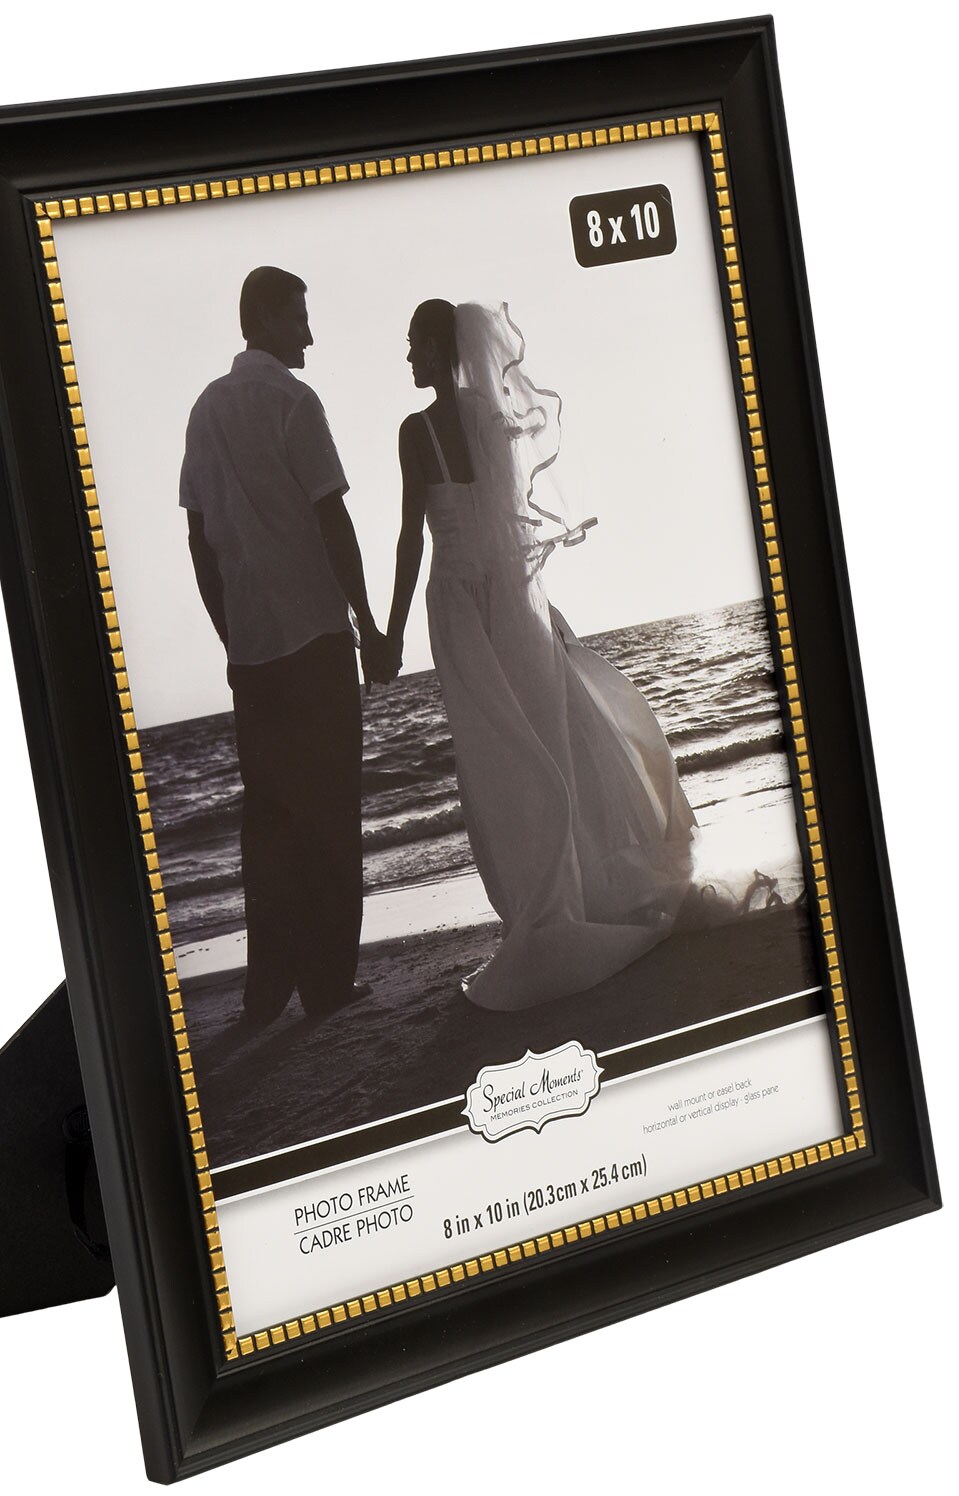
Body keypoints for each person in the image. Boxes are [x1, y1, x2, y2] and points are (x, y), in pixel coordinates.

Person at [383, 300, 697, 1011]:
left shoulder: (415, 430)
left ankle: (545, 912)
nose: (408, 357)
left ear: (438, 347)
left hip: (461, 606)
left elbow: (410, 538)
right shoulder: (493, 420)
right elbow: (511, 524)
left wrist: (391, 631)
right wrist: (536, 608)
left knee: (497, 759)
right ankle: (570, 898)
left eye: (413, 344)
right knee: (546, 745)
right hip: (514, 602)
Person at [180, 266, 392, 1025]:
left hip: (254, 653)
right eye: (299, 318)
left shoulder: (205, 410)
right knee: (330, 812)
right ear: (266, 319)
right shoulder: (295, 402)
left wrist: (230, 632)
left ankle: (266, 991)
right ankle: (327, 984)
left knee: (268, 823)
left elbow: (199, 540)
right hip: (315, 639)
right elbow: (333, 519)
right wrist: (370, 624)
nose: (309, 333)